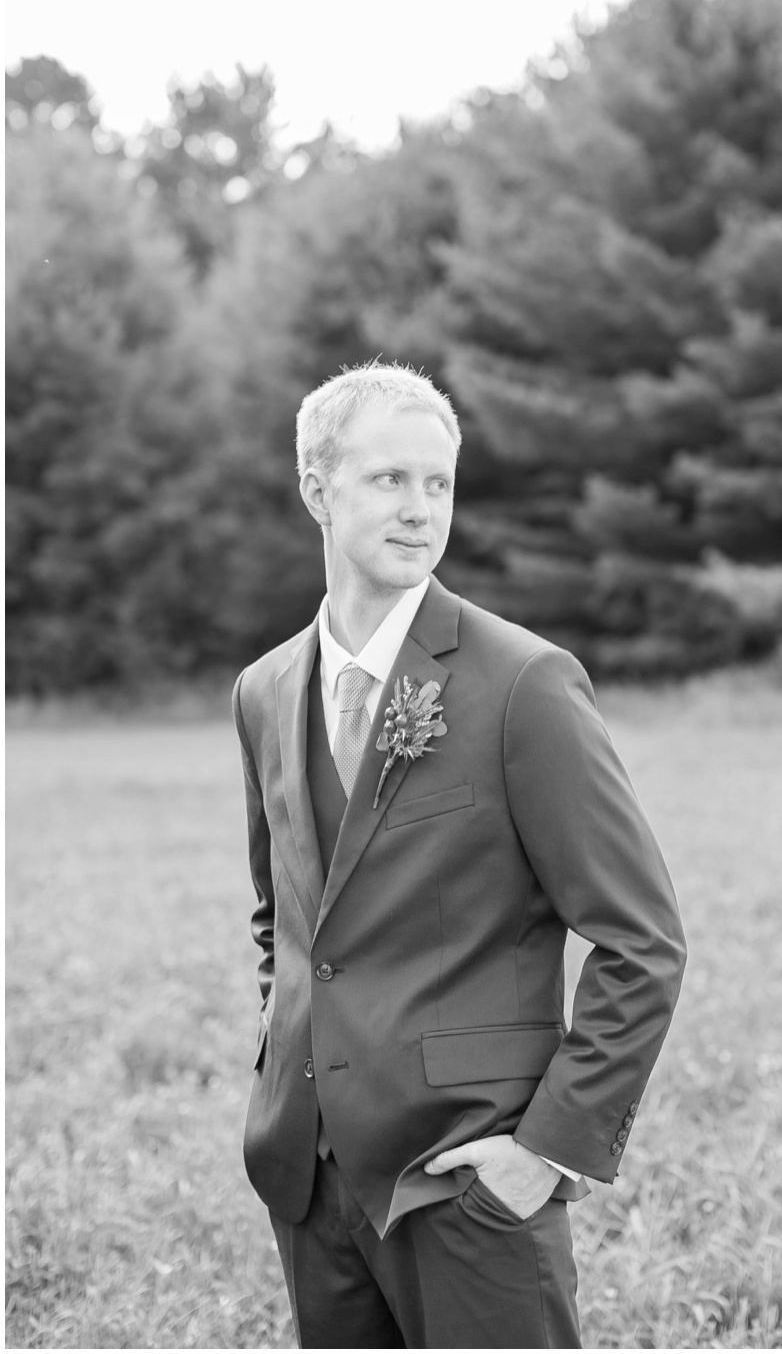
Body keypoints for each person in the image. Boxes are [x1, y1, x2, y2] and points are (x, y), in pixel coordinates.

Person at [233, 362, 687, 1346]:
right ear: (317, 488)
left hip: (469, 1181)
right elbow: (287, 916)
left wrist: (544, 1153)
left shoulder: (524, 681)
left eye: (436, 483)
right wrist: (289, 1076)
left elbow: (640, 939)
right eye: (387, 479)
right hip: (308, 1181)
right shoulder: (264, 691)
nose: (418, 508)